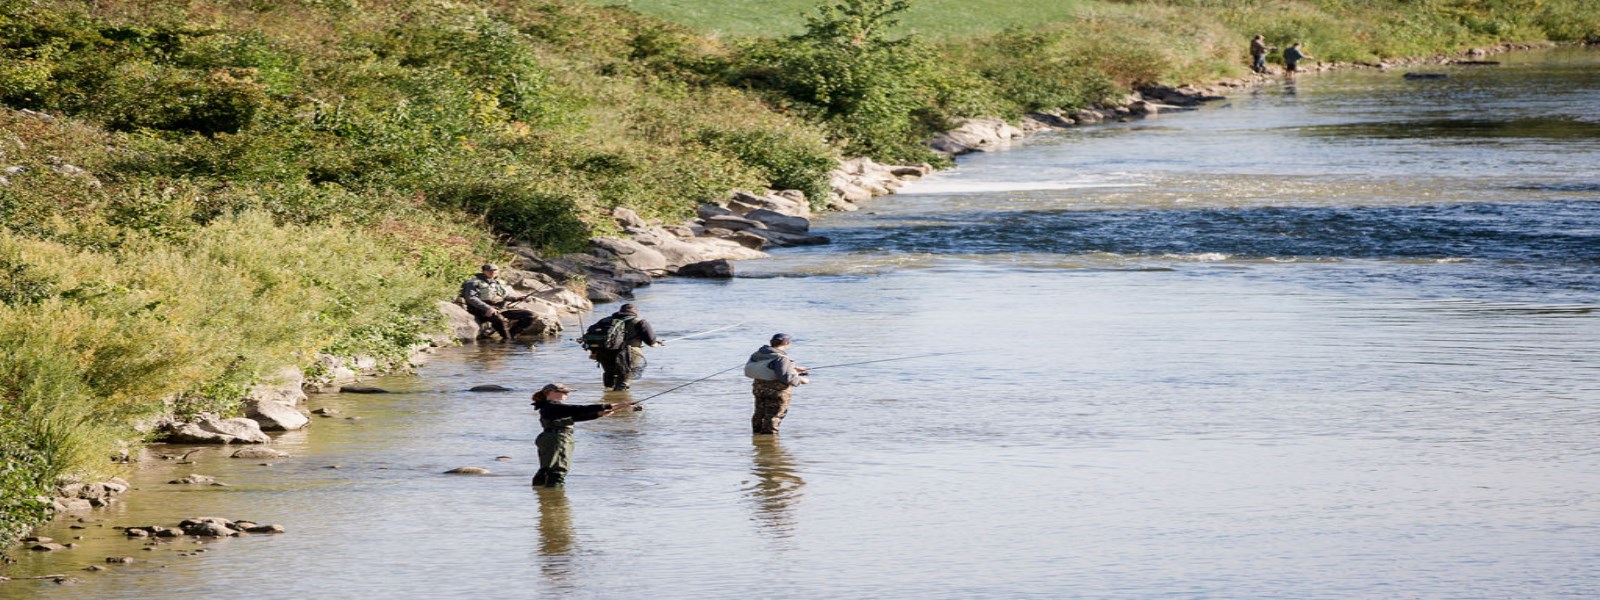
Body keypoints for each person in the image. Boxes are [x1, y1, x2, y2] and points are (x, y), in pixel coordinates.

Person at [530, 383, 629, 488]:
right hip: (557, 439)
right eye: (564, 392)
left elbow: (574, 417)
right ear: (550, 392)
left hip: (552, 438)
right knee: (558, 470)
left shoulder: (549, 406)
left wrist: (598, 414)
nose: (567, 394)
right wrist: (609, 405)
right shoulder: (552, 406)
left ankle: (540, 493)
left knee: (547, 468)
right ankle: (555, 499)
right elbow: (578, 409)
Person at [582, 303, 661, 391]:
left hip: (604, 352)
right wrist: (657, 344)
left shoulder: (605, 321)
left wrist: (593, 352)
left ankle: (607, 398)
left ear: (620, 311)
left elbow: (594, 336)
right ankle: (619, 400)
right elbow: (652, 344)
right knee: (624, 380)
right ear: (636, 312)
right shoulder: (639, 322)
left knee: (609, 374)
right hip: (629, 354)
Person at [744, 333, 808, 435]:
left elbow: (768, 367)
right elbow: (785, 378)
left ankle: (756, 436)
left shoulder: (758, 354)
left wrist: (792, 368)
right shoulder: (782, 358)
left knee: (759, 414)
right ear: (787, 343)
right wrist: (801, 380)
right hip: (776, 391)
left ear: (771, 342)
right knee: (774, 416)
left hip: (759, 388)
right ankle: (770, 442)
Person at [459, 264, 535, 341]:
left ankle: (512, 334)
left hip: (500, 309)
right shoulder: (473, 282)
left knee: (531, 315)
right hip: (481, 310)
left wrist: (516, 298)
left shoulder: (499, 282)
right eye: (489, 271)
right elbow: (471, 298)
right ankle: (507, 340)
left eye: (495, 270)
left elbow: (505, 296)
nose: (492, 272)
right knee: (499, 318)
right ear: (483, 271)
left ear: (498, 271)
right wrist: (488, 308)